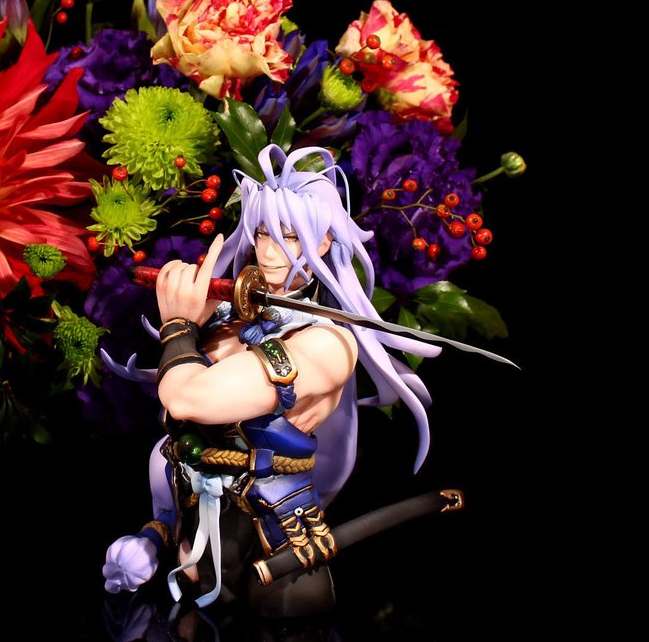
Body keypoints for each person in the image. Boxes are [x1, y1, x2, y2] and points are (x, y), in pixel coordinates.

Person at [103, 144, 438, 611]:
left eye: (291, 236)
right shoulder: (225, 320)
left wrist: (179, 326)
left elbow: (188, 399)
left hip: (275, 546)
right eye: (262, 232)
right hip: (193, 538)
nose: (269, 250)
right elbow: (179, 437)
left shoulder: (327, 343)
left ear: (324, 242)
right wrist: (156, 534)